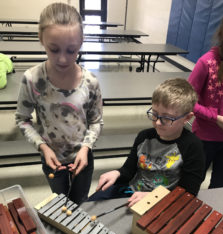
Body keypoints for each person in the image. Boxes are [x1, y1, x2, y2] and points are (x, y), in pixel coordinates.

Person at [15, 3, 103, 204]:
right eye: (53, 49)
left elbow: (96, 121)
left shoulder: (90, 82)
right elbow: (23, 119)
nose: (63, 59)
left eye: (72, 50)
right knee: (60, 202)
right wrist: (43, 147)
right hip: (51, 160)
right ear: (41, 40)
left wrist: (85, 148)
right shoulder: (32, 79)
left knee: (80, 202)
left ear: (81, 42)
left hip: (83, 158)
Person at [89, 78, 205, 206]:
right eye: (154, 114)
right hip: (132, 192)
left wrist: (153, 196)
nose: (158, 123)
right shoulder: (144, 136)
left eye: (166, 118)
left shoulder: (193, 146)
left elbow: (189, 192)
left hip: (166, 201)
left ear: (187, 118)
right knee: (90, 204)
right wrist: (117, 173)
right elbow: (128, 170)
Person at [188, 16, 223, 189]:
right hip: (205, 138)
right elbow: (188, 101)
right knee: (193, 182)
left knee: (220, 186)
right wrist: (216, 118)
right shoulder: (206, 62)